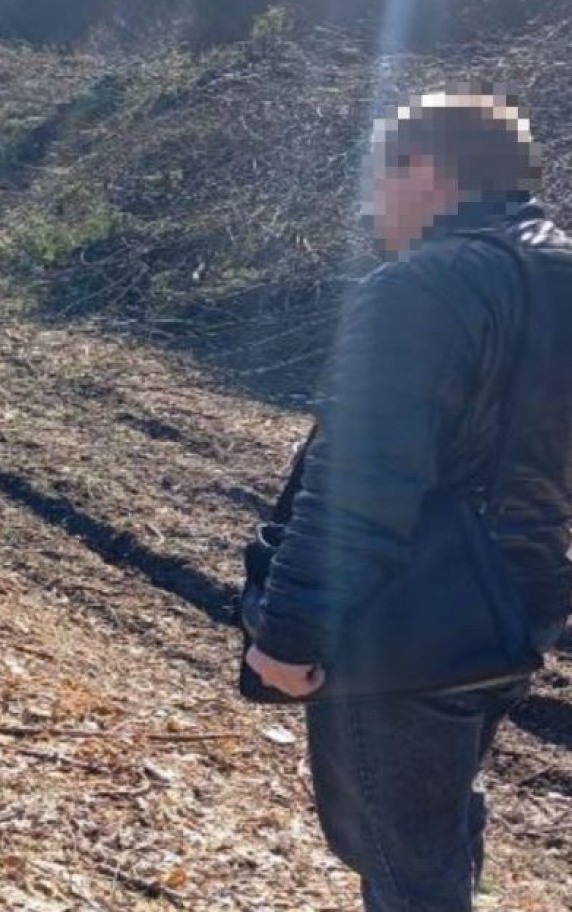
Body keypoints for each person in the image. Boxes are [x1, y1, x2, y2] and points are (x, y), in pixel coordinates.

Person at [245, 92, 572, 910]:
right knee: (437, 824)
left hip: (406, 626)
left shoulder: (422, 287)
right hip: (515, 615)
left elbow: (361, 480)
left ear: (424, 169)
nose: (370, 207)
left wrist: (287, 633)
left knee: (398, 863)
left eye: (374, 180)